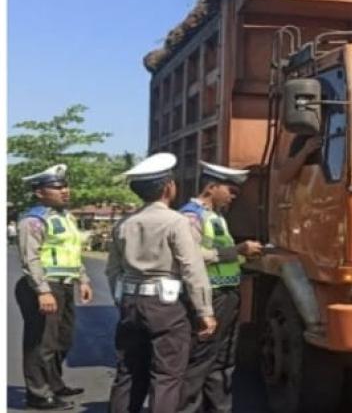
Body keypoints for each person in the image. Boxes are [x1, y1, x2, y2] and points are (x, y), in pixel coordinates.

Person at [106, 153, 217, 413]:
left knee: (128, 373)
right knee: (167, 376)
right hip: (166, 307)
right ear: (168, 186)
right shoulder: (176, 222)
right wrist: (205, 311)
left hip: (131, 302)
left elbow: (112, 270)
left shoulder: (124, 224)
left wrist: (122, 301)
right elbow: (192, 268)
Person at [178, 161, 263, 413]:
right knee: (200, 360)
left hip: (228, 296)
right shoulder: (191, 215)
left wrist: (244, 257)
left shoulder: (216, 217)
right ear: (211, 187)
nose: (234, 196)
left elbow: (220, 255)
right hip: (209, 296)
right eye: (231, 190)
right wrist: (237, 250)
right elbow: (191, 256)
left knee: (223, 360)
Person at [15, 164, 93, 410]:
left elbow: (72, 251)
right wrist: (43, 290)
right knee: (41, 343)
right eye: (58, 187)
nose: (65, 191)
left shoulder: (66, 217)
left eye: (65, 186)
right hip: (44, 286)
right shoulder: (33, 220)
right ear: (40, 192)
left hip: (65, 284)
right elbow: (31, 258)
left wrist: (84, 279)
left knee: (63, 339)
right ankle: (38, 394)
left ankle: (54, 383)